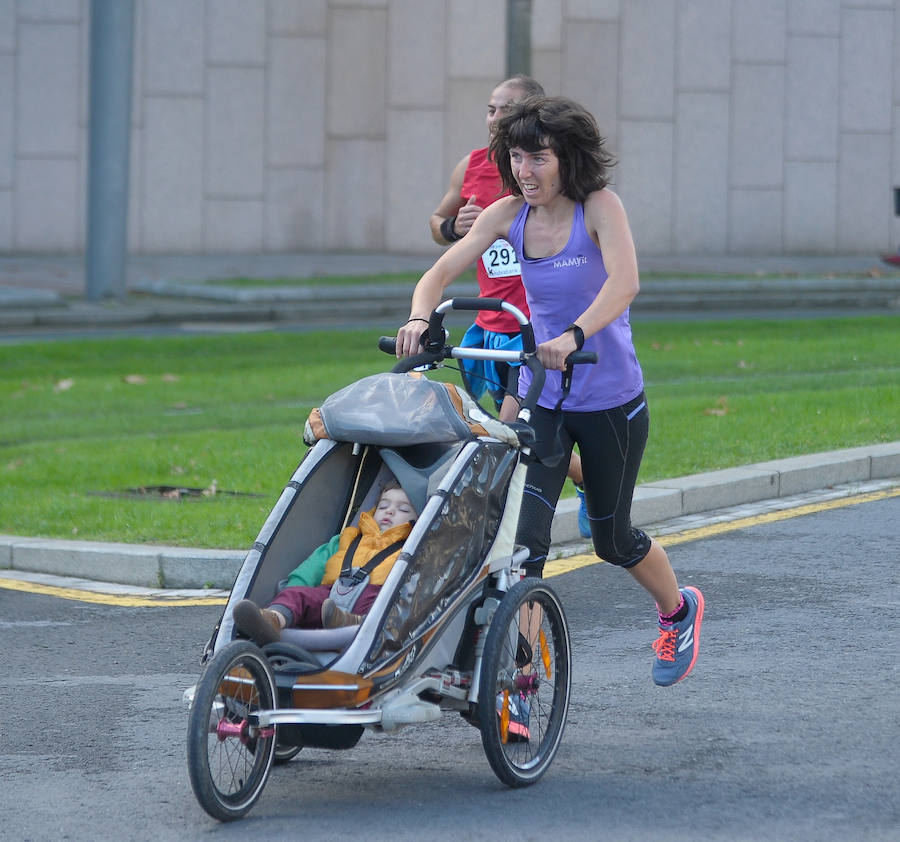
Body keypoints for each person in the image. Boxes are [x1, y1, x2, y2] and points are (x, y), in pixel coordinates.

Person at [397, 95, 704, 687]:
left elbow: (626, 280)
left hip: (611, 401)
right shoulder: (507, 213)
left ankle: (678, 609)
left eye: (537, 157)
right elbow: (437, 274)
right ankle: (521, 676)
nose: (524, 171)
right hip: (546, 400)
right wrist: (417, 318)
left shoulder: (599, 208)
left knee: (613, 541)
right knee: (524, 547)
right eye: (515, 157)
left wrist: (575, 332)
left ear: (566, 156)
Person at [429, 74, 590, 539]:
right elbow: (438, 223)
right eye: (490, 109)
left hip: (528, 329)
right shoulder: (472, 165)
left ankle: (503, 530)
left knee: (509, 429)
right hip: (485, 323)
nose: (493, 118)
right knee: (484, 425)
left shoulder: (547, 179)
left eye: (505, 109)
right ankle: (578, 483)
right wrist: (454, 229)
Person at [232, 480, 417, 644]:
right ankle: (273, 619)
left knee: (384, 606)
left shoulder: (411, 548)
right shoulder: (348, 538)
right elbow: (314, 566)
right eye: (383, 506)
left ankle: (350, 621)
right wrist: (294, 587)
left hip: (374, 597)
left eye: (403, 509)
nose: (390, 511)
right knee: (298, 595)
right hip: (330, 595)